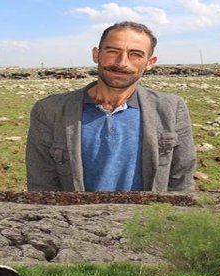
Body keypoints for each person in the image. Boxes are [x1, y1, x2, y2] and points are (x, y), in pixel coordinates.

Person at [26, 21, 196, 192]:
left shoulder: (171, 109)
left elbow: (182, 180)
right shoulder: (50, 110)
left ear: (150, 62)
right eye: (113, 51)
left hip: (147, 217)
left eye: (135, 54)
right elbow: (42, 185)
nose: (121, 62)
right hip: (75, 217)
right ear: (96, 55)